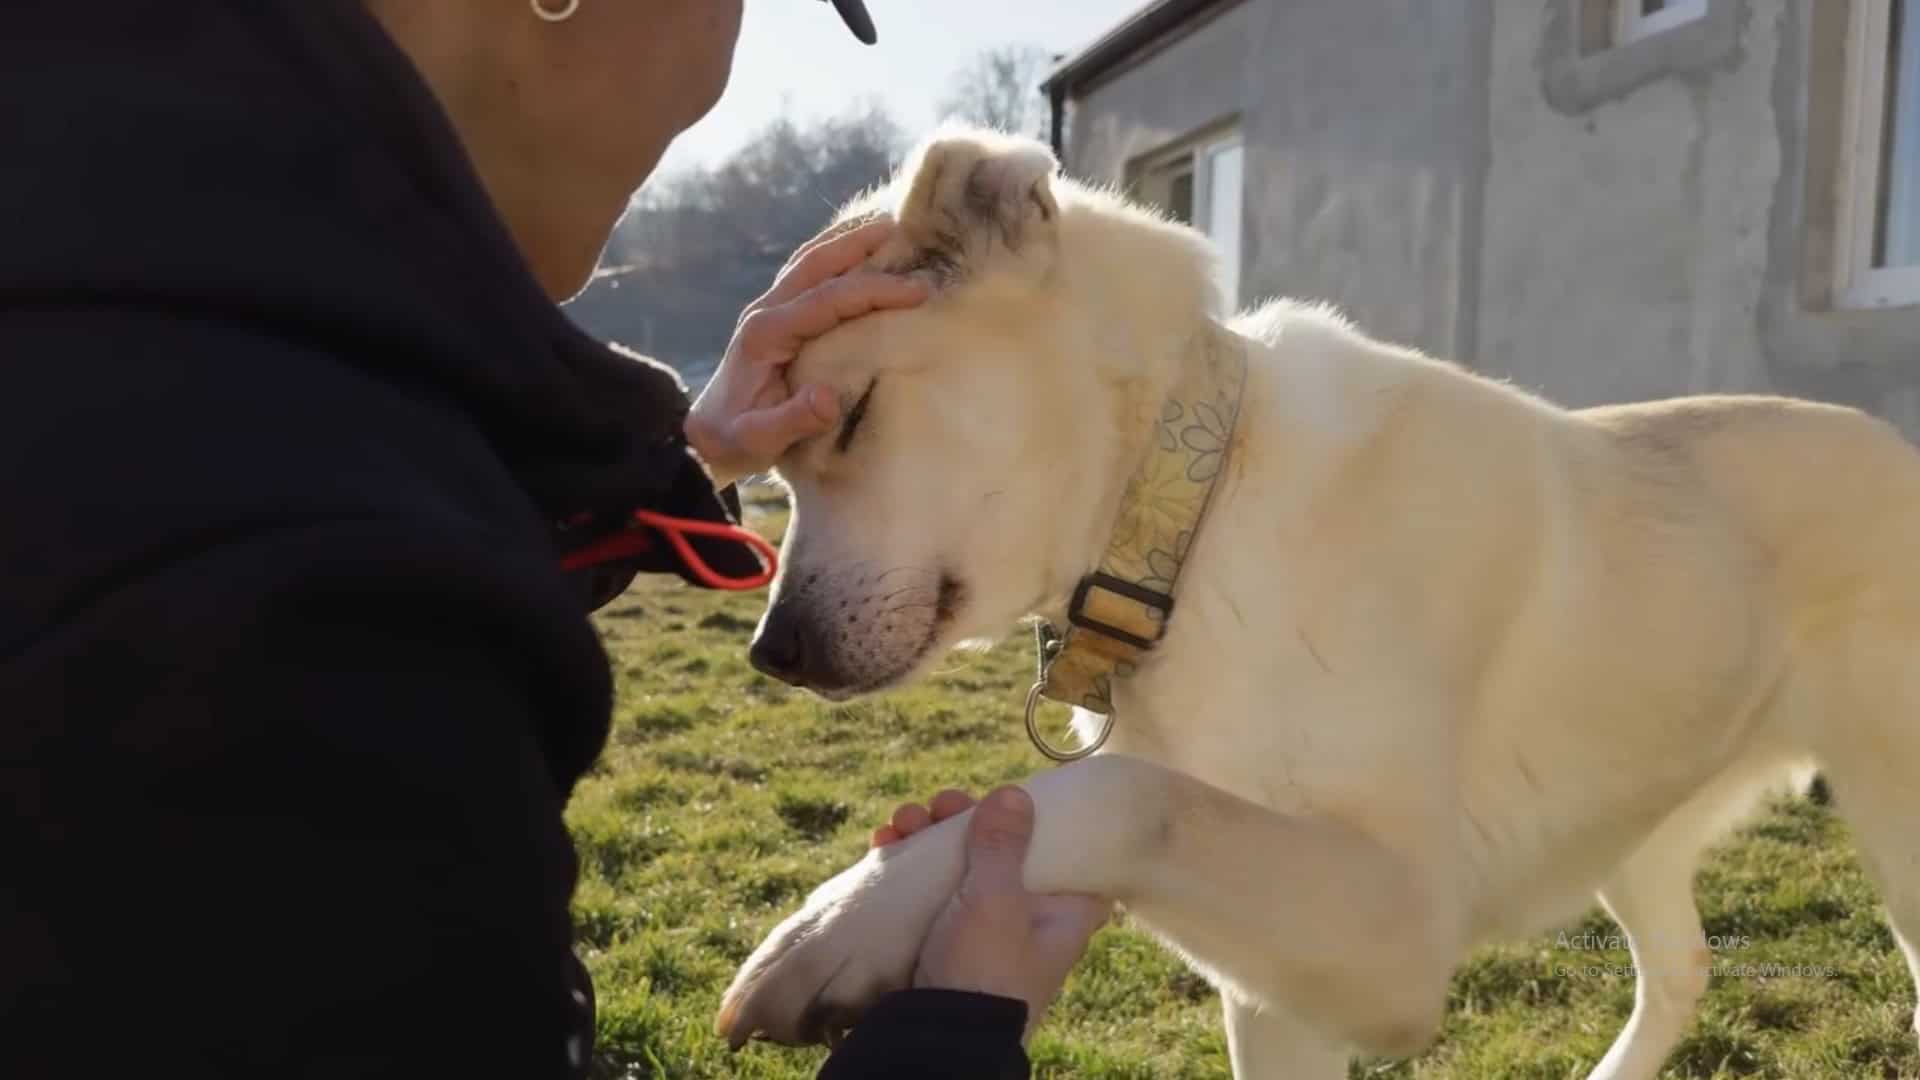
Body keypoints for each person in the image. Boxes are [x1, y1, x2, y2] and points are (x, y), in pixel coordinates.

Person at [0, 1, 1108, 1077]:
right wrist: (949, 1035)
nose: (715, 72)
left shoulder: (153, 348)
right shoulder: (299, 629)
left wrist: (683, 455)